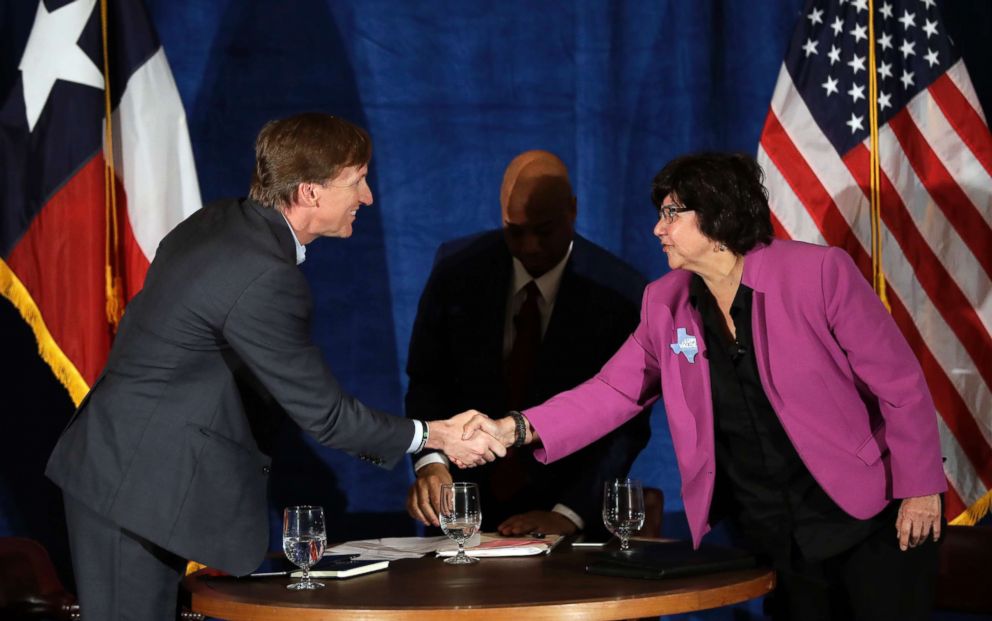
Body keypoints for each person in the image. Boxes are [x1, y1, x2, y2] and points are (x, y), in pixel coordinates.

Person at [44, 113, 505, 621]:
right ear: (310, 192)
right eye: (356, 181)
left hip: (137, 477)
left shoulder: (220, 222)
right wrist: (435, 436)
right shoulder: (263, 273)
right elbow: (327, 416)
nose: (368, 197)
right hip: (135, 488)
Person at [463, 153, 946, 620]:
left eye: (671, 213)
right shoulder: (664, 302)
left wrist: (921, 488)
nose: (658, 228)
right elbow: (612, 391)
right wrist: (515, 429)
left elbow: (899, 382)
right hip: (771, 530)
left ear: (717, 215)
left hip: (867, 518)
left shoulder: (820, 275)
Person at [405, 150, 651, 538]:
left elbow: (626, 422)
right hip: (462, 509)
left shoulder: (621, 293)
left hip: (566, 513)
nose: (531, 246)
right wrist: (431, 462)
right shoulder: (457, 270)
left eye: (545, 230)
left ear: (573, 210)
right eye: (515, 231)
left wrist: (568, 514)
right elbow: (427, 381)